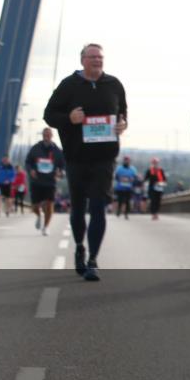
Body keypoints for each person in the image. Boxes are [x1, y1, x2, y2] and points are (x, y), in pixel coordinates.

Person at [44, 43, 127, 282]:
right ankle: (80, 246)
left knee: (99, 207)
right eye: (92, 57)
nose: (97, 61)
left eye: (100, 57)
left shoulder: (114, 85)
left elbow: (123, 114)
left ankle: (93, 260)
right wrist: (69, 118)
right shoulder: (68, 86)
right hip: (77, 158)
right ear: (82, 60)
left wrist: (123, 125)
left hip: (105, 158)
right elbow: (49, 115)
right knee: (79, 209)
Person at [24, 127, 66, 235]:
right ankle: (39, 215)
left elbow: (63, 166)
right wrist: (31, 170)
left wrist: (61, 173)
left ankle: (46, 227)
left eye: (49, 135)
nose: (47, 136)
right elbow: (28, 162)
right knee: (34, 206)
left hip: (50, 181)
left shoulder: (57, 151)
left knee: (49, 204)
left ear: (52, 136)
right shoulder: (35, 149)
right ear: (42, 136)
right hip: (36, 181)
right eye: (45, 135)